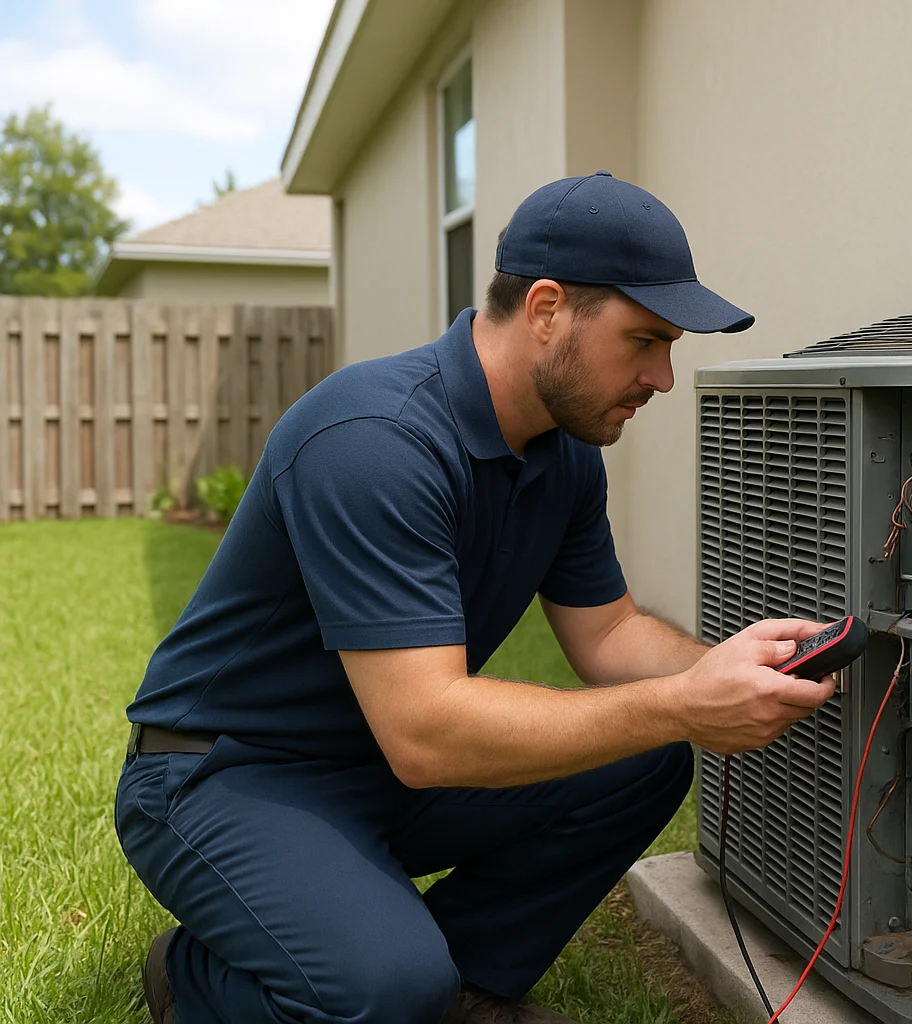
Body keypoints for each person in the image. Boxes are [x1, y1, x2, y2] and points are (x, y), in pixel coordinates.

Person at [114, 171, 837, 1024]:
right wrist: (682, 702)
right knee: (387, 991)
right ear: (545, 309)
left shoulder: (563, 456)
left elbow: (609, 634)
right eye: (644, 340)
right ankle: (192, 976)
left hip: (374, 765)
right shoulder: (373, 441)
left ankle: (466, 986)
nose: (663, 377)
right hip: (225, 771)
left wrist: (724, 668)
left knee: (643, 763)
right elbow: (425, 733)